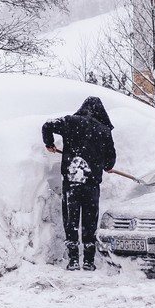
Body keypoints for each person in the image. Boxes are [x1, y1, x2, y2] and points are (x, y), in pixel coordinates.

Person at [42, 97, 116, 271]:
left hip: (72, 182)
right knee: (90, 221)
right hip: (91, 184)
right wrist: (105, 165)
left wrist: (49, 143)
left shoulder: (71, 122)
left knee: (71, 220)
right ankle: (89, 261)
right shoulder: (104, 130)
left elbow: (47, 125)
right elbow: (110, 160)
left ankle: (73, 260)